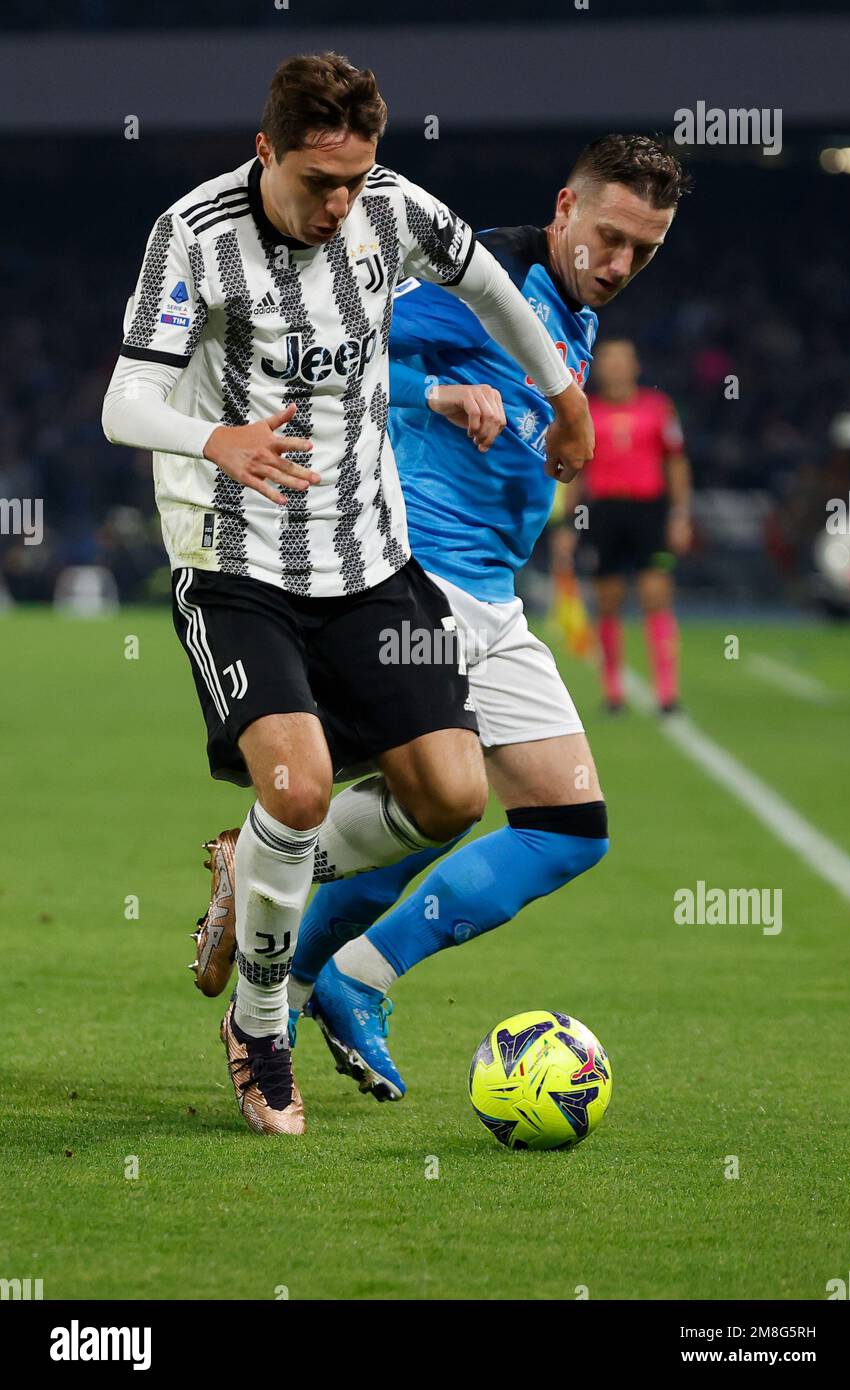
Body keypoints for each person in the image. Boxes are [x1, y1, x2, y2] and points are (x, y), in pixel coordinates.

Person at [101, 51, 595, 1136]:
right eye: (316, 181)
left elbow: (491, 287)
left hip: (368, 560)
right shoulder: (192, 234)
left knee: (451, 798)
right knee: (297, 784)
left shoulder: (388, 206)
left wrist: (562, 396)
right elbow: (124, 400)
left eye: (355, 179)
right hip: (236, 562)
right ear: (264, 151)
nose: (338, 204)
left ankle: (255, 866)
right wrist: (212, 436)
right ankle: (261, 1025)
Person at [197, 135, 692, 1105]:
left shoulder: (569, 308)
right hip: (418, 577)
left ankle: (329, 972)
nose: (619, 264)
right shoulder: (487, 278)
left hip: (491, 593)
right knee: (434, 803)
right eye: (607, 237)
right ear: (564, 208)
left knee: (562, 826)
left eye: (643, 249)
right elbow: (343, 343)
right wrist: (435, 391)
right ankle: (286, 927)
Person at [572, 337, 692, 713]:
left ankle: (667, 692)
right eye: (609, 360)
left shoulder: (658, 408)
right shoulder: (584, 408)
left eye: (624, 360)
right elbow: (575, 467)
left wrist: (680, 515)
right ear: (598, 366)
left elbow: (675, 461)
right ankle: (612, 691)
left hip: (649, 511)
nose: (616, 367)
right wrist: (565, 524)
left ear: (636, 366)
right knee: (608, 601)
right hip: (604, 511)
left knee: (656, 596)